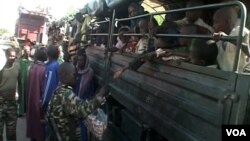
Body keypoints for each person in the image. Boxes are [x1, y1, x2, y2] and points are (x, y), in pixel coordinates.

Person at [47, 62, 109, 141]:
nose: (76, 78)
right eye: (74, 75)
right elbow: (82, 109)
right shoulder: (65, 94)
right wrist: (100, 95)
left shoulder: (59, 91)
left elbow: (78, 105)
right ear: (65, 75)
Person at [213, 7, 250, 72]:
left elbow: (248, 50)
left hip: (240, 76)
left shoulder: (240, 31)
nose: (213, 25)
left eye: (216, 22)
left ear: (227, 22)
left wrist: (228, 39)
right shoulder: (219, 40)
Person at [26, 47, 47, 141]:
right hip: (39, 100)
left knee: (31, 122)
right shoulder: (44, 69)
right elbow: (44, 88)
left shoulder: (31, 67)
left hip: (30, 99)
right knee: (39, 124)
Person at [74, 48, 95, 141]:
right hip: (75, 102)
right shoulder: (76, 70)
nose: (80, 62)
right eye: (78, 60)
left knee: (83, 128)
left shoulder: (90, 72)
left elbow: (88, 89)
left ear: (86, 60)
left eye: (82, 60)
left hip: (84, 103)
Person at [0, 48, 19, 141]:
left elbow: (19, 83)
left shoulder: (17, 67)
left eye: (14, 56)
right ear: (6, 56)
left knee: (11, 131)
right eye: (10, 56)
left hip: (12, 103)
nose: (12, 57)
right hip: (0, 102)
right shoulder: (1, 68)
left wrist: (17, 93)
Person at [41, 45, 60, 112]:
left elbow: (48, 87)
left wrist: (43, 103)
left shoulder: (51, 68)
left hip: (49, 103)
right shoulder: (56, 64)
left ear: (48, 54)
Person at [18, 45, 32, 117]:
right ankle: (20, 111)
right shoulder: (20, 60)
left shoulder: (31, 61)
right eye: (26, 50)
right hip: (22, 81)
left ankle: (27, 111)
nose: (27, 52)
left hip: (29, 82)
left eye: (28, 50)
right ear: (23, 51)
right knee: (21, 95)